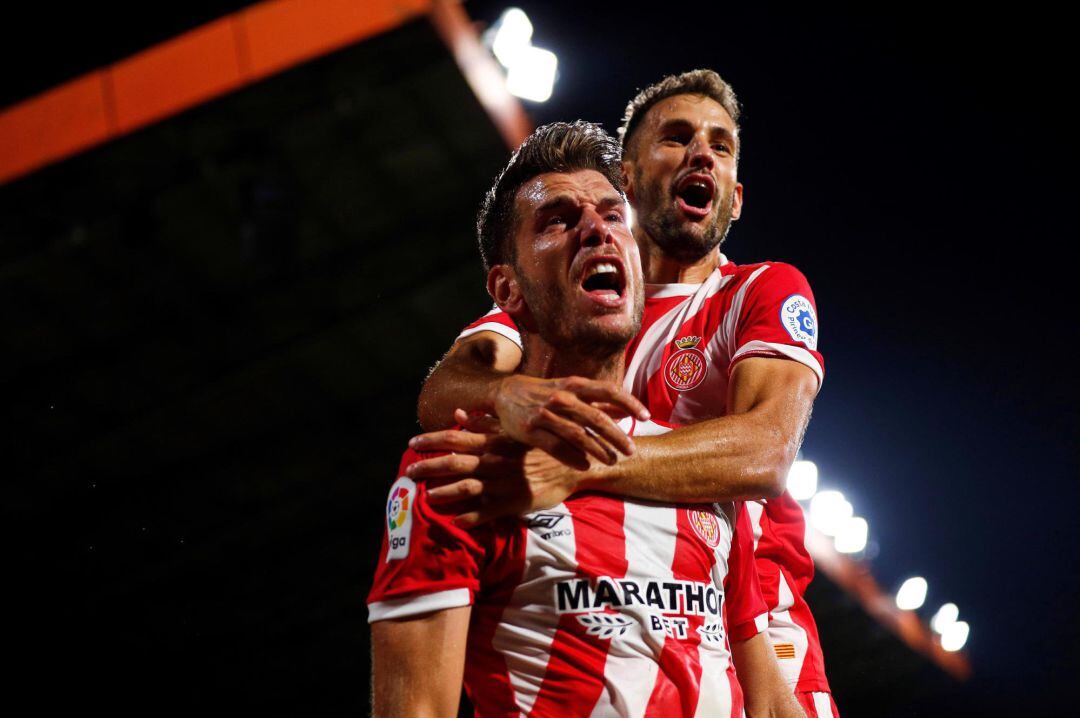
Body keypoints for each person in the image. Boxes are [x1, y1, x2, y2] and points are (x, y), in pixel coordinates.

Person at [409, 70, 837, 718]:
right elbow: (446, 389)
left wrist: (578, 466)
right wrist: (511, 395)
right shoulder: (582, 300)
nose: (702, 155)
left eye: (721, 147)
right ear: (629, 182)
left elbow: (766, 454)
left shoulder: (758, 291)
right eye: (677, 137)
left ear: (737, 197)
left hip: (752, 639)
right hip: (605, 619)